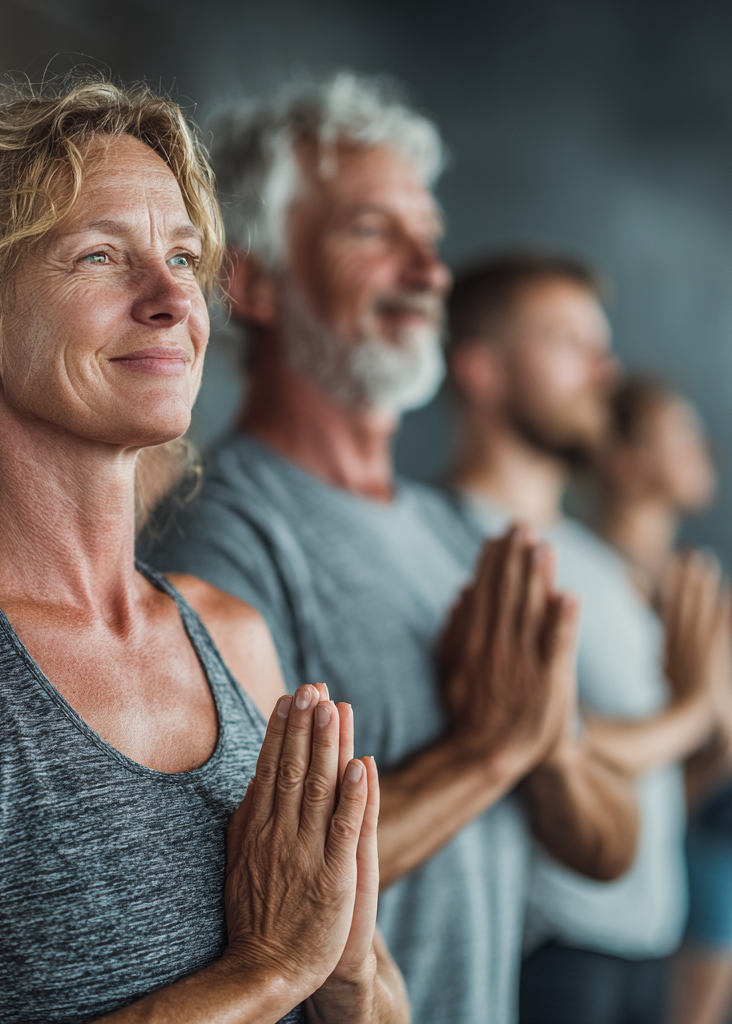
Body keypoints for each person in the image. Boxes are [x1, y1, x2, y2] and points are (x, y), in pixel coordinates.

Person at [0, 79, 409, 1024]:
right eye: (102, 256)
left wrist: (349, 970)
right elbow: (280, 972)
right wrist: (268, 972)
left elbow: (364, 1002)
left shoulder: (233, 637)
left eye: (185, 257)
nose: (172, 300)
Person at [143, 73, 639, 1024]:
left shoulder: (456, 532)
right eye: (372, 231)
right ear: (253, 280)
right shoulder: (218, 534)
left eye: (431, 239)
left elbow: (608, 847)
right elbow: (241, 900)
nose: (429, 271)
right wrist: (488, 753)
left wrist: (548, 753)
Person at [443, 253, 730, 1024]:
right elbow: (542, 737)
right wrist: (694, 709)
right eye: (568, 340)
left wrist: (699, 723)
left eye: (599, 342)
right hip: (558, 944)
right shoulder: (456, 539)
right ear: (481, 369)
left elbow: (660, 772)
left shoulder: (600, 562)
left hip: (648, 935)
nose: (604, 366)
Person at [592, 375, 732, 1024]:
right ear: (621, 458)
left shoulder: (694, 580)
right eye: (674, 431)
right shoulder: (587, 575)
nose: (699, 444)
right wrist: (698, 714)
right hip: (653, 859)